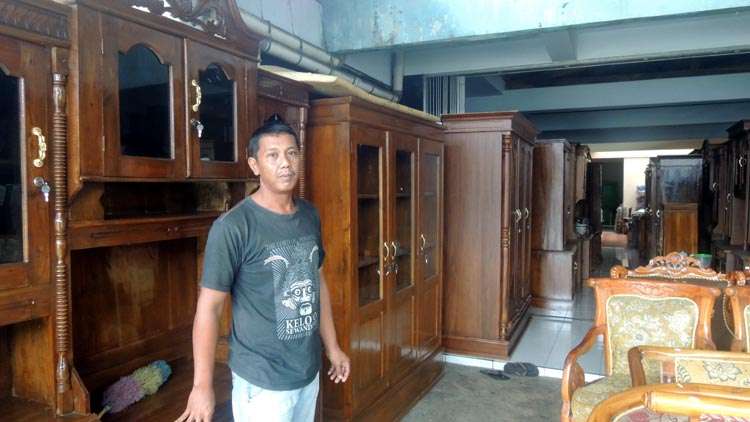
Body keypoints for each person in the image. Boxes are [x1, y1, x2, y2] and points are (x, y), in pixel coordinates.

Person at [177, 116, 350, 422]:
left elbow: (317, 282)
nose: (285, 163)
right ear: (254, 165)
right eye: (273, 155)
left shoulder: (309, 215)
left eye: (292, 153)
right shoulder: (233, 227)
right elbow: (209, 308)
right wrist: (202, 386)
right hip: (262, 381)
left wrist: (332, 347)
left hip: (307, 370)